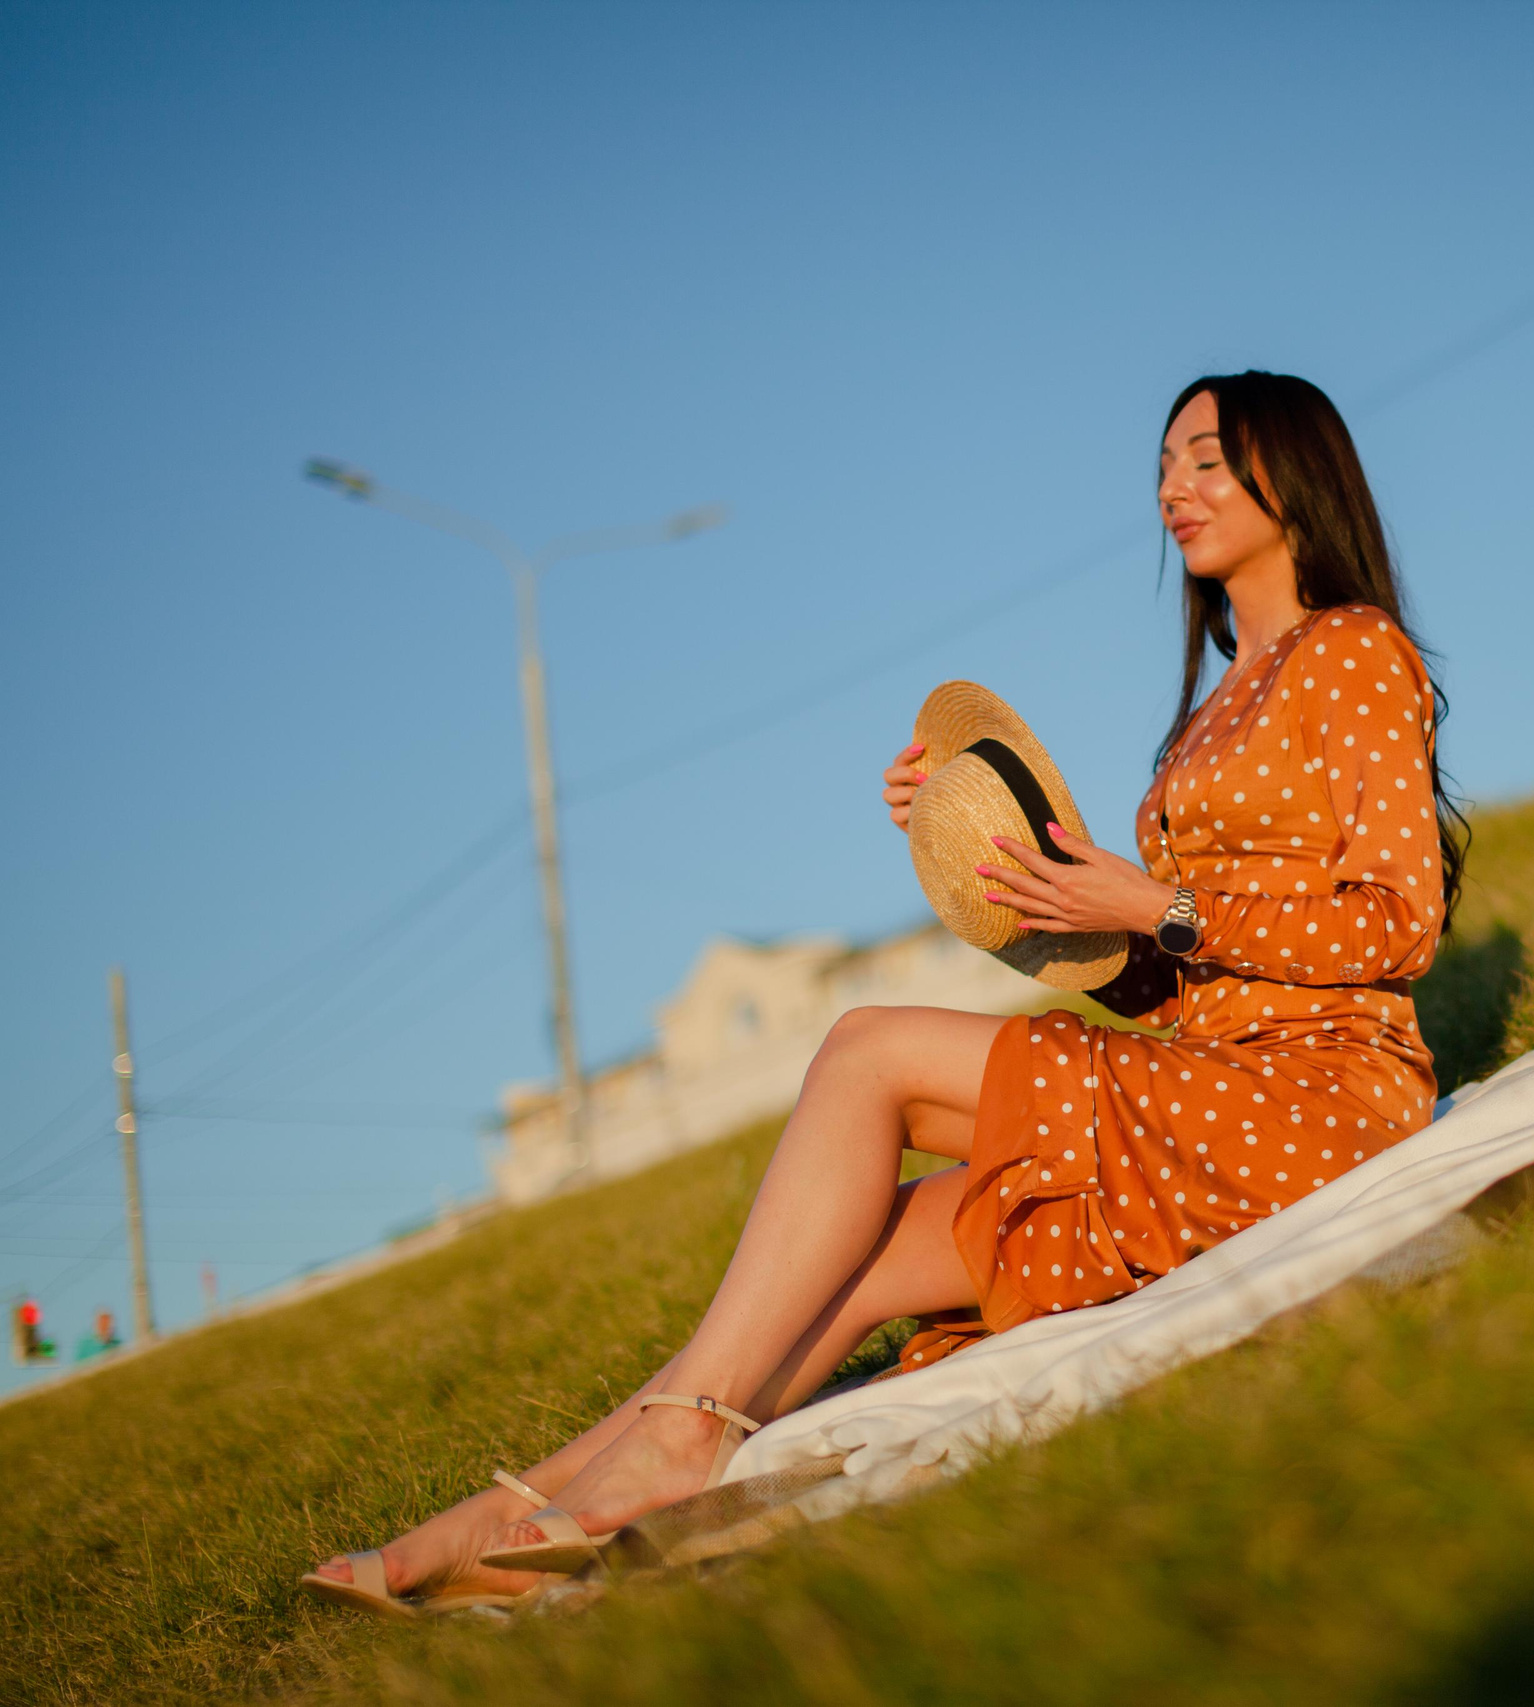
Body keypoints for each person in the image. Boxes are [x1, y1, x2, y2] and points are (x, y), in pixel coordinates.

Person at [302, 369, 1465, 1611]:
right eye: (1164, 468)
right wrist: (1017, 889)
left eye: (1206, 459)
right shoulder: (1203, 715)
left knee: (865, 1049)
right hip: (1205, 1081)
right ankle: (514, 1517)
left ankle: (676, 1452)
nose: (1174, 490)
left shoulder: (1353, 650)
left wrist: (1153, 904)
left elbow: (1401, 926)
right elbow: (1172, 979)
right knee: (838, 1263)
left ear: (1296, 471)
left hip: (1319, 1096)